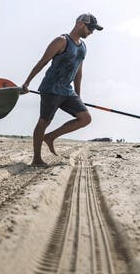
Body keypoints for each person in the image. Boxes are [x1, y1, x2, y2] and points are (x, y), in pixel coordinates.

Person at [21, 13, 103, 166]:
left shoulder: (83, 47)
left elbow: (78, 73)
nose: (91, 32)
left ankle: (50, 137)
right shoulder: (61, 41)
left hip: (67, 91)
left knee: (85, 118)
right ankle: (36, 159)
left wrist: (78, 96)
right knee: (44, 122)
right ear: (80, 24)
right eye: (90, 28)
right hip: (51, 89)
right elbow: (43, 62)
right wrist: (27, 83)